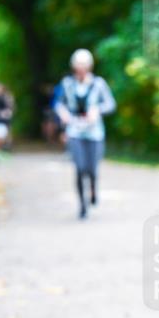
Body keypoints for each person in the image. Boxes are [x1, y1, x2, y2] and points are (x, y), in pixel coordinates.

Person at [54, 49, 116, 219]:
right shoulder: (67, 84)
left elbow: (110, 104)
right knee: (80, 168)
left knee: (92, 169)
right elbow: (59, 104)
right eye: (78, 65)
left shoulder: (98, 84)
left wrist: (97, 110)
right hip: (75, 131)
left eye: (84, 65)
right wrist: (63, 115)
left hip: (94, 132)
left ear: (89, 66)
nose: (81, 68)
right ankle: (83, 205)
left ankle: (93, 189)